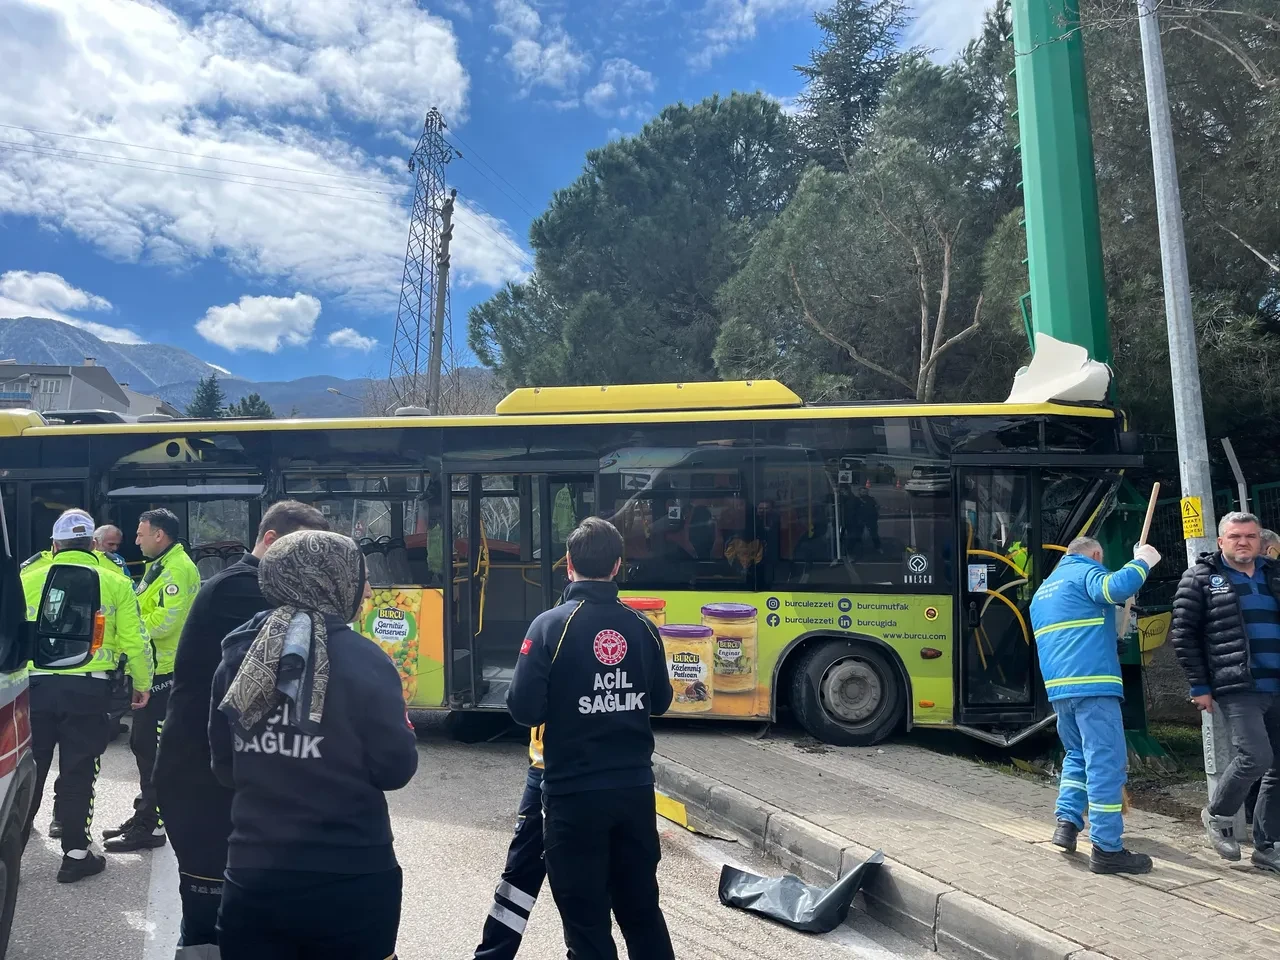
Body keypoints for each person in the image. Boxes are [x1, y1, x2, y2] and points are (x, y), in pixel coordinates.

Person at [209, 529, 418, 959]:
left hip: (254, 876)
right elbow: (395, 769)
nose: (368, 589)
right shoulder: (366, 659)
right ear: (335, 581)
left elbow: (224, 767)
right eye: (361, 578)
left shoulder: (237, 654)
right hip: (349, 877)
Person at [153, 501, 329, 957]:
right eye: (299, 553)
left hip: (220, 772)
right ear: (269, 541)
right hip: (200, 777)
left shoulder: (256, 587)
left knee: (238, 909)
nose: (308, 568)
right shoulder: (243, 589)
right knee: (209, 916)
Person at [507, 516, 675, 960]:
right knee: (642, 913)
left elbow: (523, 708)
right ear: (618, 566)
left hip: (573, 796)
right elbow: (660, 701)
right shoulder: (643, 628)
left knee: (587, 927)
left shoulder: (548, 626)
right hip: (635, 793)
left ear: (568, 566)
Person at [21, 509, 154, 882]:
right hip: (89, 688)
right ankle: (76, 853)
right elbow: (135, 640)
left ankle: (11, 845)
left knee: (29, 767)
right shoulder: (114, 580)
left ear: (54, 544)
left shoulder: (27, 578)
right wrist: (141, 683)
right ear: (93, 544)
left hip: (35, 688)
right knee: (79, 769)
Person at [1030, 535, 1161, 875]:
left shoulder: (1045, 591)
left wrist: (1106, 640)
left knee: (1077, 756)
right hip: (1093, 686)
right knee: (1106, 764)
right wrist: (1142, 560)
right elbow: (1114, 588)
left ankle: (1067, 824)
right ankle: (1106, 848)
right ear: (1096, 554)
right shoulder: (1085, 571)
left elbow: (1073, 633)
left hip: (1060, 690)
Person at [1170, 511, 1280, 873]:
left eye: (1250, 536)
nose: (1243, 542)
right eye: (1235, 536)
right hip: (1237, 685)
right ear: (1221, 541)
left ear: (1260, 541)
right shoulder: (1201, 578)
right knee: (1256, 756)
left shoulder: (1274, 573)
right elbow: (1184, 635)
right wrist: (1199, 685)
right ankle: (1217, 816)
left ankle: (1267, 846)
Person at [105, 507, 200, 853]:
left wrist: (127, 628)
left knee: (151, 748)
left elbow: (166, 622)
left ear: (159, 535)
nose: (135, 540)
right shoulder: (159, 566)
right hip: (153, 666)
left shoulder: (176, 569)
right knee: (143, 745)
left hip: (165, 671)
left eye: (140, 534)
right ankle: (147, 813)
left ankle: (152, 823)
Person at [472, 728, 548, 960]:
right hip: (548, 770)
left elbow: (522, 705)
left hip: (561, 773)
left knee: (521, 878)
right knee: (519, 879)